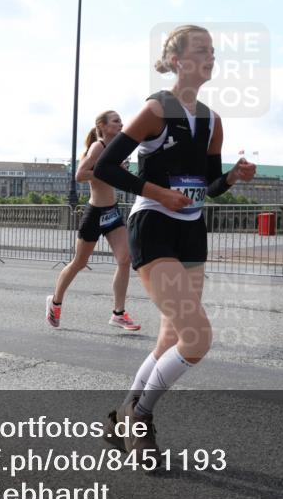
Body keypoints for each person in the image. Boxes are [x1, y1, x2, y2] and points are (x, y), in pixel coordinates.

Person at [92, 24, 255, 465]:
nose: (210, 57)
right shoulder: (156, 109)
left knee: (170, 339)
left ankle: (122, 414)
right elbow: (106, 167)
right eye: (201, 50)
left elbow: (209, 185)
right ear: (178, 60)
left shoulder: (212, 120)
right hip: (155, 225)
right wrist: (160, 192)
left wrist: (232, 178)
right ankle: (138, 418)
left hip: (192, 230)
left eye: (214, 51)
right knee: (197, 337)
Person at [45, 111, 141, 331]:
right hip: (95, 213)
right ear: (103, 126)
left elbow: (111, 174)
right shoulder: (98, 147)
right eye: (116, 121)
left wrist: (121, 172)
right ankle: (56, 301)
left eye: (120, 121)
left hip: (112, 212)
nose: (121, 124)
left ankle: (118, 313)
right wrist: (108, 171)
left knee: (125, 260)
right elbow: (80, 174)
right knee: (79, 263)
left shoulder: (115, 148)